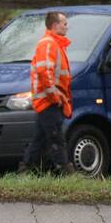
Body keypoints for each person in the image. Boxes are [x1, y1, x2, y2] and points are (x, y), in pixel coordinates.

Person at [18, 11, 75, 175]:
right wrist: (55, 96)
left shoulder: (54, 43)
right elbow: (44, 72)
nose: (67, 27)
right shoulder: (49, 44)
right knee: (56, 137)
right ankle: (65, 170)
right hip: (49, 100)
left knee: (40, 138)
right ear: (55, 25)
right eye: (64, 23)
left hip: (49, 99)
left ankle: (26, 169)